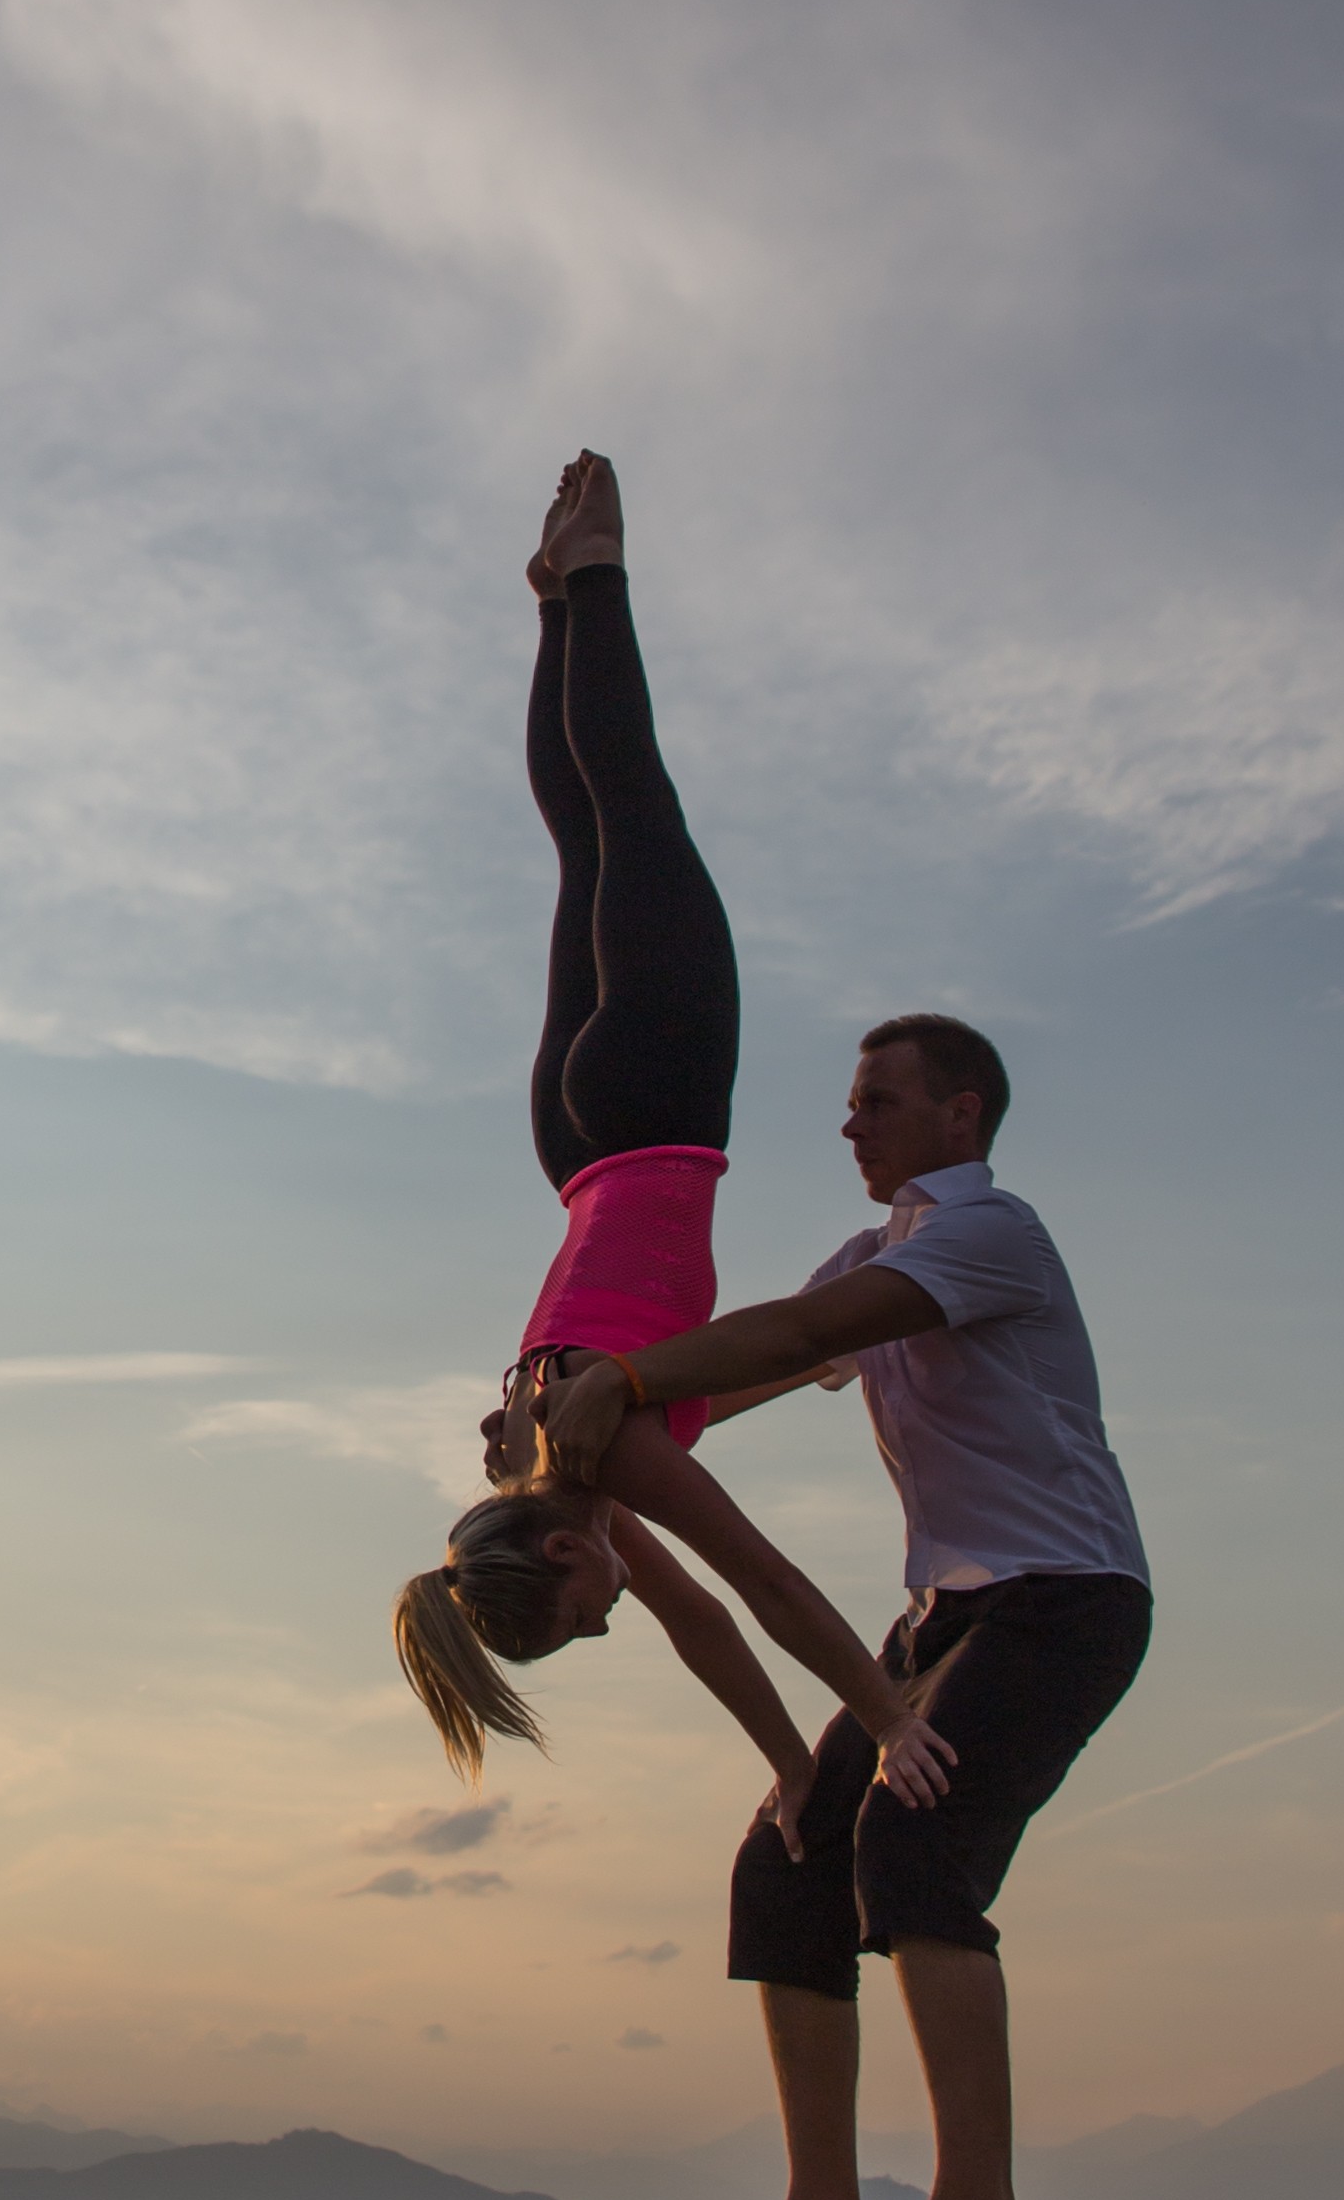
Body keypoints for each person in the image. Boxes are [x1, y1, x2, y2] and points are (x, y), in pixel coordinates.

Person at [392, 458, 955, 1831]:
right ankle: (554, 603)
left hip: (652, 1109)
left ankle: (595, 574)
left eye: (586, 1616)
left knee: (633, 813)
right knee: (586, 844)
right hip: (573, 1142)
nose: (611, 1617)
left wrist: (886, 1722)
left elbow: (757, 1588)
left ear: (563, 1556)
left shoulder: (605, 1463)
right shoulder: (547, 1453)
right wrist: (791, 1768)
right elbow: (703, 1624)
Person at [538, 1020, 1151, 2200]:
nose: (848, 1123)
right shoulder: (879, 1253)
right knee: (791, 1852)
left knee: (917, 1840)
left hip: (1066, 1598)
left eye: (877, 1100)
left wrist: (625, 1382)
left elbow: (784, 1334)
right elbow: (746, 1376)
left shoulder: (989, 1235)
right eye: (852, 1100)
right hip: (946, 1614)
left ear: (960, 1114)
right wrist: (578, 1413)